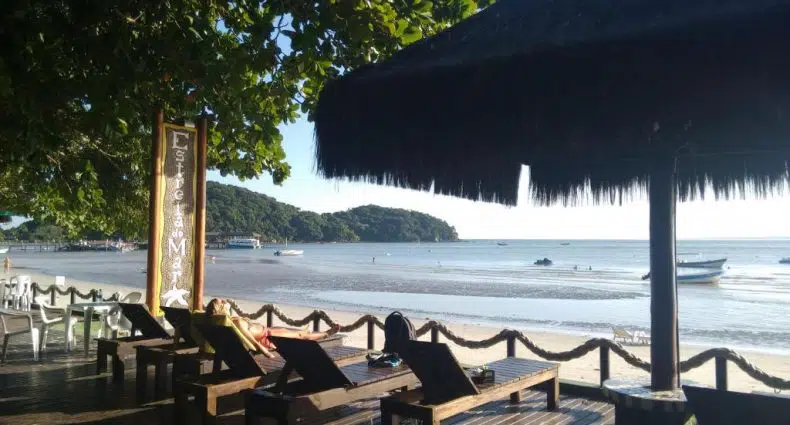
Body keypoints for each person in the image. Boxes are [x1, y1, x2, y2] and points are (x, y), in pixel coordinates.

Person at [205, 298, 338, 358]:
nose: (225, 301)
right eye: (222, 302)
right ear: (221, 309)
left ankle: (321, 334)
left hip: (267, 331)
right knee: (301, 335)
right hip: (268, 336)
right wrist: (265, 352)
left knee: (297, 332)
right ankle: (325, 334)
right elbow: (251, 339)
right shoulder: (238, 322)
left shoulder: (227, 323)